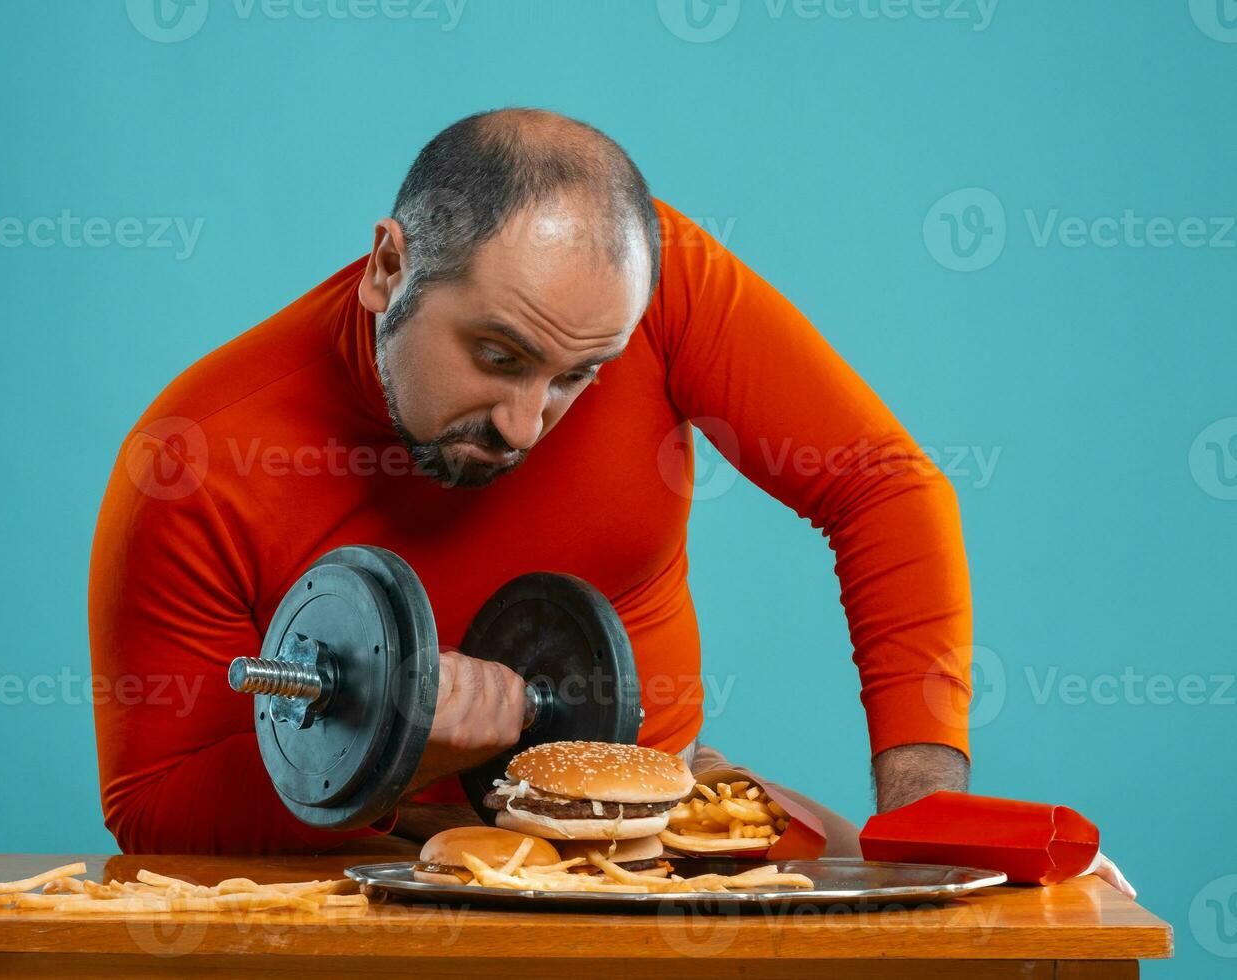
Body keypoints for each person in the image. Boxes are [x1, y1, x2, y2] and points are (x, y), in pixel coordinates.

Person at [89, 107, 974, 865]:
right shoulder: (195, 459)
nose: (524, 427)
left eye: (578, 376)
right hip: (390, 850)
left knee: (936, 931)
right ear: (388, 269)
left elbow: (881, 487)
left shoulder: (653, 288)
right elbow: (153, 804)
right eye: (498, 357)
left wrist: (925, 810)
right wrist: (394, 754)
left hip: (659, 815)